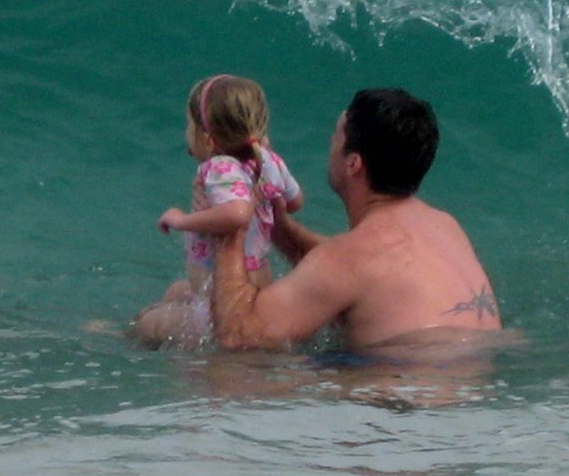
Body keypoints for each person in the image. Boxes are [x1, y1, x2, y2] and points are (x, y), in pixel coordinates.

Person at [210, 87, 501, 352]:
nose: (330, 143)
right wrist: (281, 230)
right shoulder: (444, 226)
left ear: (353, 164)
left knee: (238, 371)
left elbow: (239, 334)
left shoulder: (348, 259)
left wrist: (229, 224)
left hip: (403, 388)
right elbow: (358, 274)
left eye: (336, 136)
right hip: (475, 379)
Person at [132, 74, 303, 346]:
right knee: (176, 291)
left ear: (208, 140)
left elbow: (237, 214)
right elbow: (295, 201)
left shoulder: (220, 167)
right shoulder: (269, 160)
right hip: (258, 294)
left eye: (189, 125)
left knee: (147, 322)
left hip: (219, 310)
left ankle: (126, 337)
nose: (185, 133)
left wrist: (183, 220)